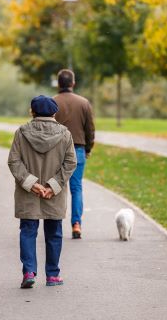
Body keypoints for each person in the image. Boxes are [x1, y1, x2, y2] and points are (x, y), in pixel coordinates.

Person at [8, 95, 76, 289]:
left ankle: (29, 271)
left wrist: (31, 184)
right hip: (53, 193)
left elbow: (14, 161)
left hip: (28, 192)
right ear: (54, 113)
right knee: (54, 233)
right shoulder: (65, 134)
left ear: (32, 112)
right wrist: (52, 186)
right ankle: (53, 275)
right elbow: (70, 162)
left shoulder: (21, 132)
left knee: (28, 231)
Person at [53, 69, 95, 239]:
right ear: (73, 83)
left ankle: (55, 223)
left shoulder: (52, 102)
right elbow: (90, 129)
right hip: (78, 150)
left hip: (57, 151)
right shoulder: (84, 103)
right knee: (76, 188)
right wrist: (88, 148)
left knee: (57, 187)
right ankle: (76, 224)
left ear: (58, 84)